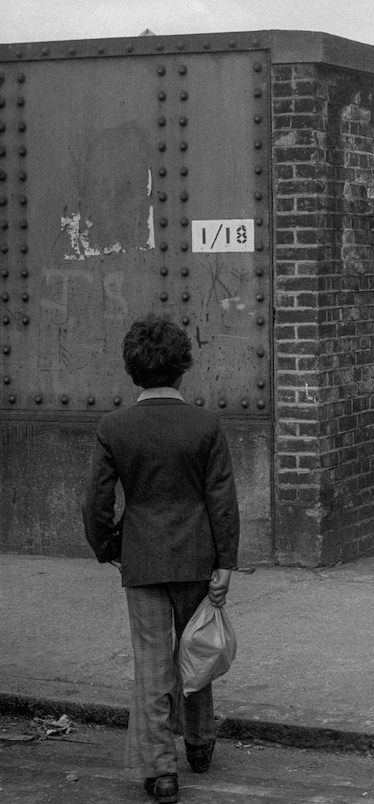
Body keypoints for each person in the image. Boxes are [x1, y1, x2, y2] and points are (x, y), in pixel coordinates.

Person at [82, 314, 240, 804]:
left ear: (132, 371)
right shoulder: (205, 425)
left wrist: (109, 546)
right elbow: (223, 500)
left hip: (143, 557)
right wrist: (225, 564)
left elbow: (96, 502)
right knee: (197, 651)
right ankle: (199, 744)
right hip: (196, 555)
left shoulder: (114, 426)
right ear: (183, 368)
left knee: (152, 665)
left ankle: (161, 771)